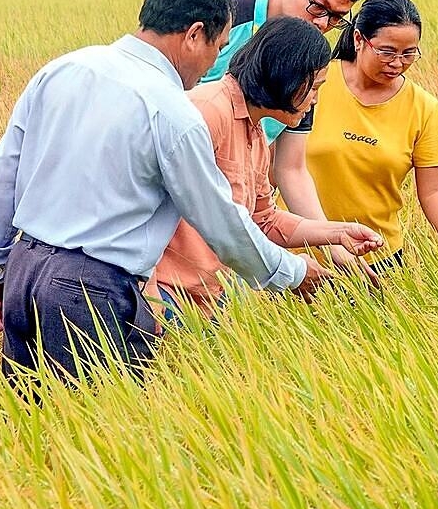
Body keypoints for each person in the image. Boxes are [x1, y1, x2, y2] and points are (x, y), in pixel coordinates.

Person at [0, 0, 381, 387]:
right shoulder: (174, 111)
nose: (215, 63)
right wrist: (293, 273)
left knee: (31, 417)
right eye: (217, 47)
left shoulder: (63, 69)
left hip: (24, 270)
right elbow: (220, 222)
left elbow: (1, 178)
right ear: (194, 35)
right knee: (100, 421)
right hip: (91, 288)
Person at [151, 17, 382, 317]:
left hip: (210, 299)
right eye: (314, 87)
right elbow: (146, 202)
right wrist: (148, 291)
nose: (315, 100)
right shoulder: (207, 111)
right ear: (286, 76)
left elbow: (265, 220)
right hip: (167, 296)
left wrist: (338, 233)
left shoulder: (257, 134)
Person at [201, 0, 373, 279]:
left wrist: (336, 247)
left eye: (336, 18)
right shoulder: (224, 19)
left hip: (240, 214)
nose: (322, 24)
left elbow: (290, 169)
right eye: (318, 7)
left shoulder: (308, 62)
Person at [305, 0, 438, 274]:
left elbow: (435, 190)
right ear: (358, 39)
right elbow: (272, 164)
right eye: (387, 52)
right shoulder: (315, 82)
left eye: (408, 54)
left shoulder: (423, 108)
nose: (397, 63)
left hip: (378, 259)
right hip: (302, 257)